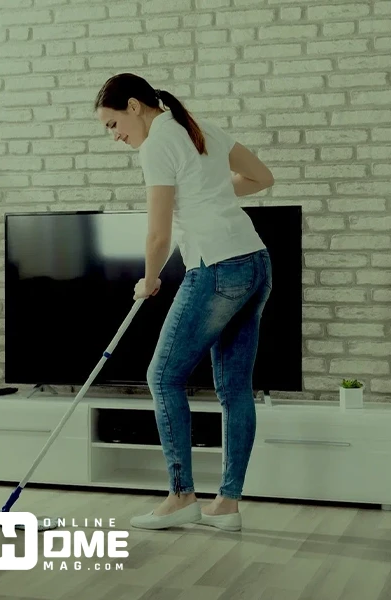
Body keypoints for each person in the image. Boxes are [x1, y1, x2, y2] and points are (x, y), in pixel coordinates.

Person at [93, 73, 275, 531]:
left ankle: (181, 496)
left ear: (134, 106)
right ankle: (227, 505)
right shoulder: (198, 127)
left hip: (218, 266)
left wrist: (149, 279)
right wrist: (209, 192)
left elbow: (157, 234)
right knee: (234, 389)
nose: (114, 137)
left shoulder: (157, 143)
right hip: (256, 261)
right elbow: (262, 178)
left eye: (113, 124)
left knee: (162, 376)